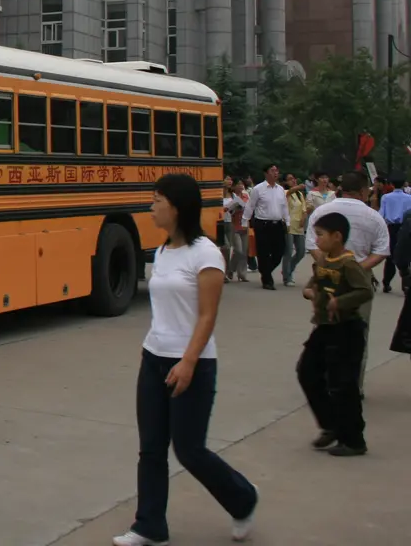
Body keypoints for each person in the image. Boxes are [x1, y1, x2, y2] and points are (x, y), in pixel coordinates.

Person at [112, 174, 258, 546]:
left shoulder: (205, 253)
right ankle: (149, 526)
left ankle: (243, 498)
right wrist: (154, 350)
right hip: (154, 358)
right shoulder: (162, 252)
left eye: (157, 200)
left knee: (190, 450)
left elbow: (207, 315)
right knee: (151, 448)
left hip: (193, 362)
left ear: (176, 207)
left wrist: (189, 362)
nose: (151, 207)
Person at [297, 212, 374, 457]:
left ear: (337, 236)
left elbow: (365, 291)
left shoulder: (348, 263)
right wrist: (310, 292)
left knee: (343, 384)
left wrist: (339, 302)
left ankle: (353, 440)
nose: (317, 240)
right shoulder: (323, 260)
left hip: (346, 329)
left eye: (320, 235)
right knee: (307, 371)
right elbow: (313, 284)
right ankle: (330, 425)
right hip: (324, 327)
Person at [305, 170, 389, 391]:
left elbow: (312, 244)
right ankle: (352, 386)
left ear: (341, 189)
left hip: (327, 280)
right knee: (357, 333)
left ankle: (325, 381)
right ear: (363, 191)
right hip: (359, 282)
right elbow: (381, 250)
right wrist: (355, 270)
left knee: (325, 328)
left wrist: (329, 265)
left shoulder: (323, 212)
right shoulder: (374, 216)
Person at [243, 164, 288, 289]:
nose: (275, 173)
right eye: (272, 171)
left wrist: (287, 221)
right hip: (263, 224)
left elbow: (284, 206)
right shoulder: (258, 189)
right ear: (266, 173)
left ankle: (265, 271)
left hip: (277, 224)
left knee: (279, 251)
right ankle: (267, 280)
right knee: (263, 252)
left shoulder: (280, 189)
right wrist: (245, 221)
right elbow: (250, 206)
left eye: (277, 171)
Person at [377, 177, 411, 293]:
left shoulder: (386, 197)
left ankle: (386, 283)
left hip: (391, 228)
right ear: (404, 184)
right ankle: (406, 285)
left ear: (391, 184)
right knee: (405, 255)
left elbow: (381, 213)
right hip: (406, 227)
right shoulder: (409, 198)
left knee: (390, 257)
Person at [282, 173, 309, 287]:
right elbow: (288, 192)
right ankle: (287, 277)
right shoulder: (284, 192)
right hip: (288, 225)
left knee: (301, 251)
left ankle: (289, 269)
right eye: (290, 179)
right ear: (285, 182)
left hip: (299, 225)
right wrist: (298, 187)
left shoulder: (299, 194)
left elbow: (304, 209)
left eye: (294, 178)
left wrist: (304, 217)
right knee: (288, 252)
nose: (293, 180)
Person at [226, 178, 250, 282]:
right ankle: (231, 269)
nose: (241, 186)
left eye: (242, 184)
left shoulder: (246, 196)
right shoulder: (232, 197)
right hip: (234, 225)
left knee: (244, 251)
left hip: (244, 225)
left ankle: (242, 274)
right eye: (238, 184)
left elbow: (249, 208)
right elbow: (228, 210)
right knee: (238, 250)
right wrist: (234, 208)